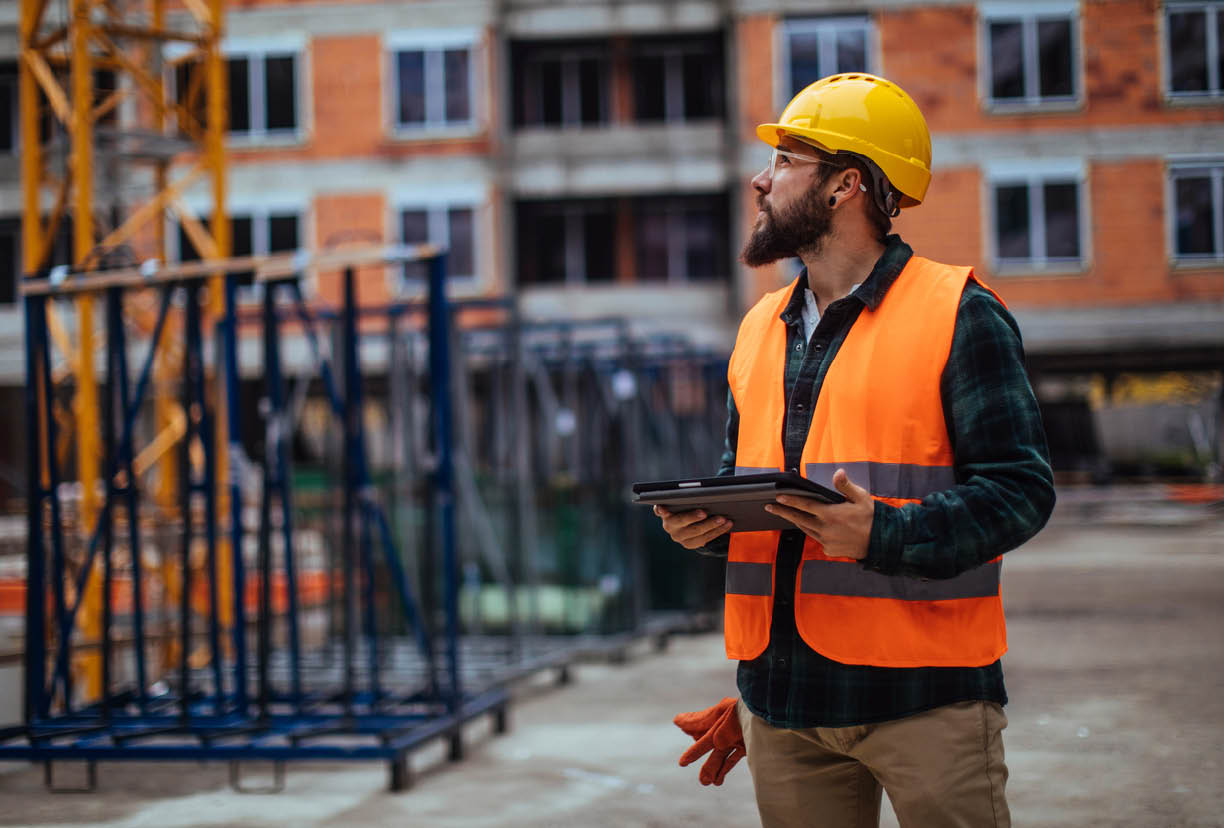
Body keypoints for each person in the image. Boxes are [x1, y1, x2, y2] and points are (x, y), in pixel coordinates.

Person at [654, 73, 1055, 827]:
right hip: (784, 705)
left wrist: (884, 533)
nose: (761, 178)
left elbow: (1021, 492)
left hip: (923, 701)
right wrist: (708, 522)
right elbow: (766, 492)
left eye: (787, 161)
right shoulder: (760, 327)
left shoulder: (959, 315)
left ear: (844, 186)